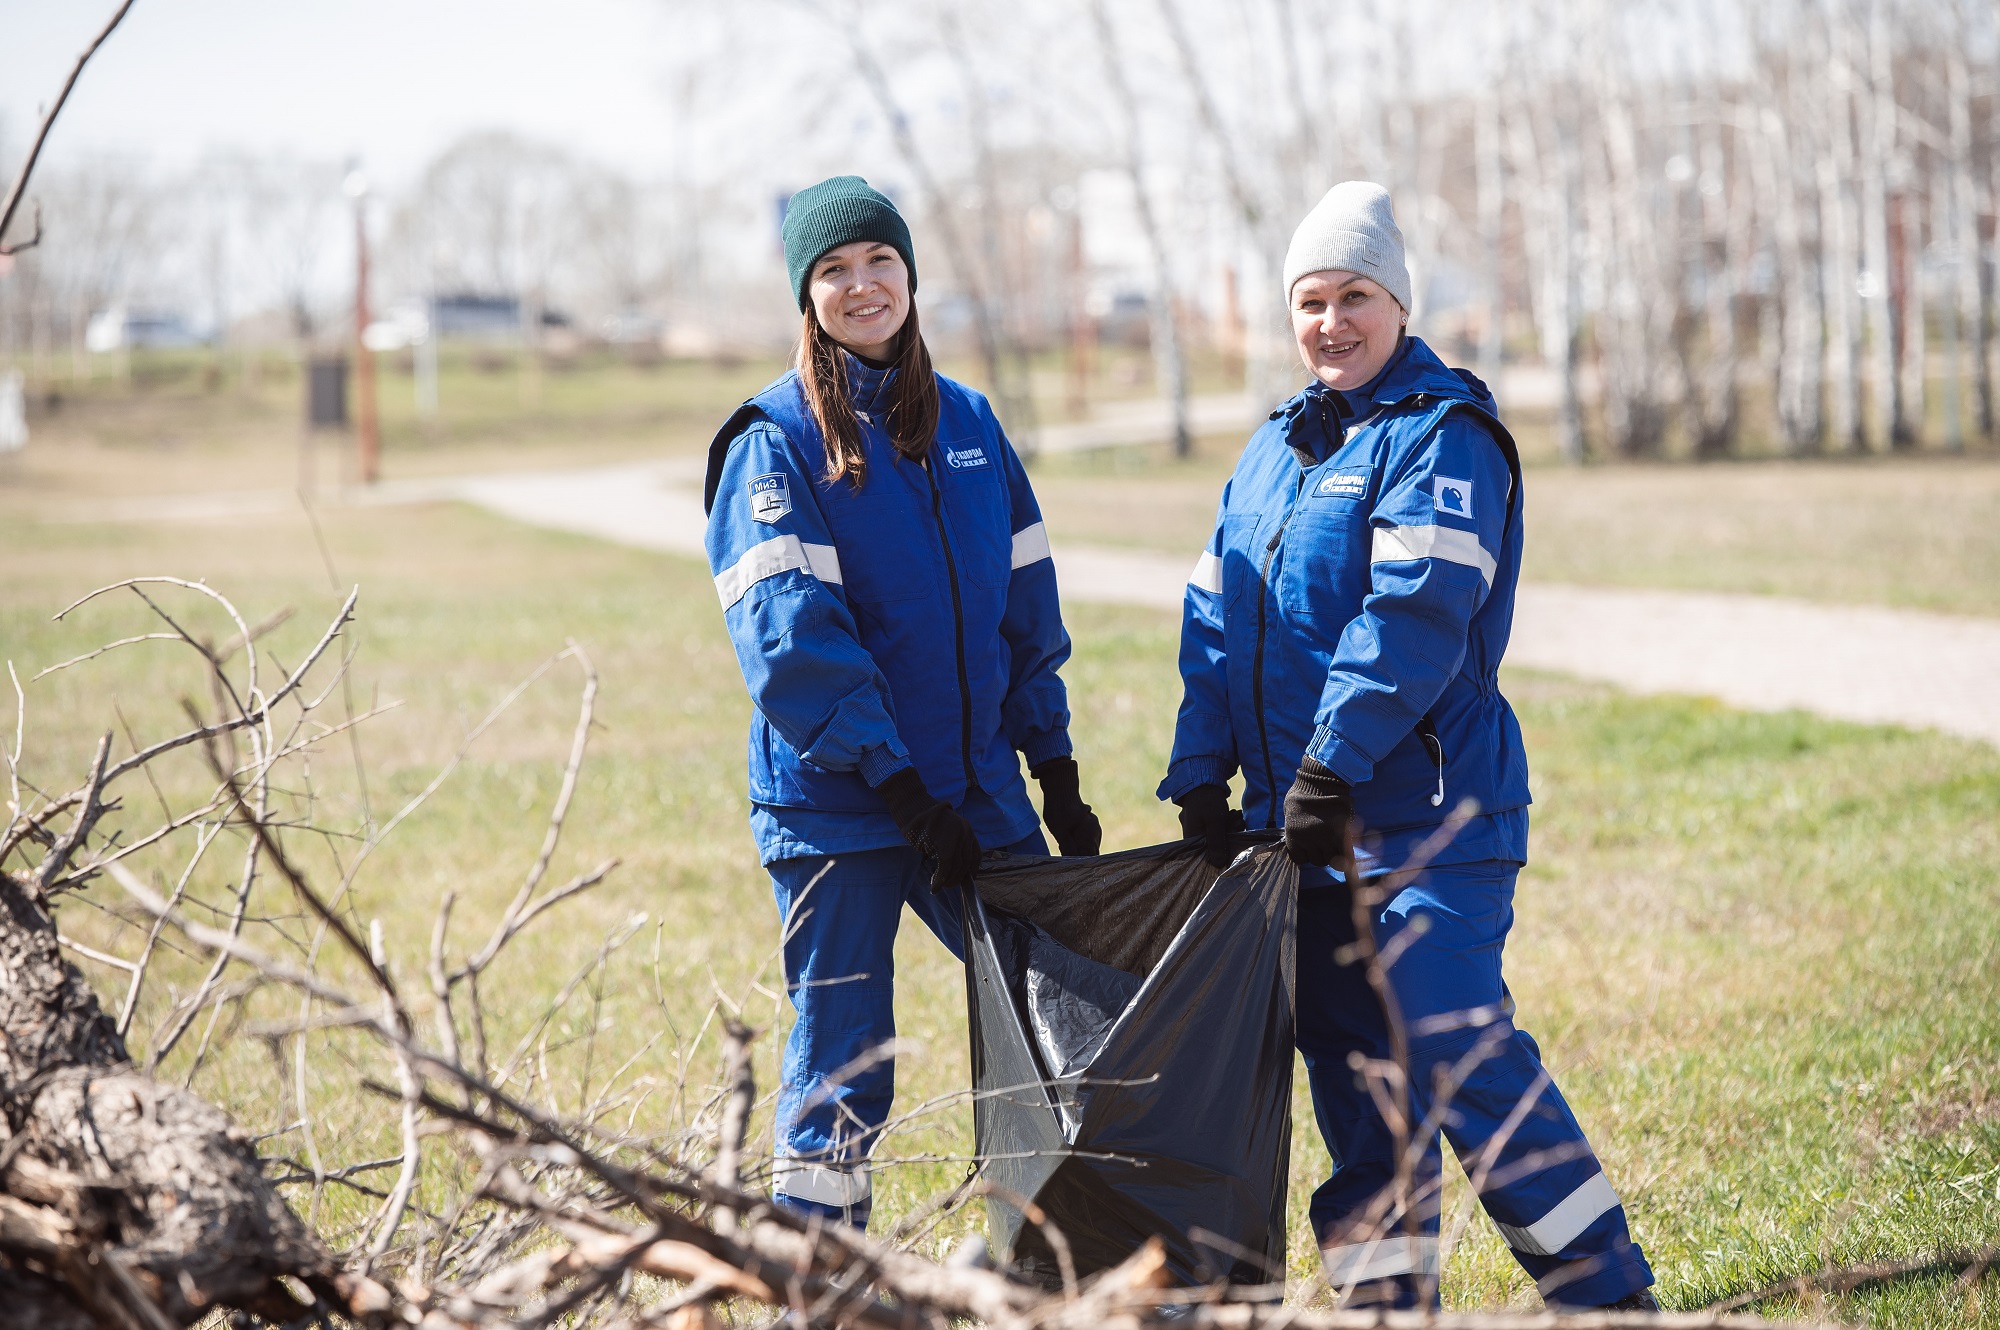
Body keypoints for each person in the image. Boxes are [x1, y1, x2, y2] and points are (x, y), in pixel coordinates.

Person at [1157, 182, 1658, 1310]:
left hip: (1427, 819)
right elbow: (1212, 616)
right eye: (1308, 301)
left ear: (1398, 302)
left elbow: (1414, 613)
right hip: (1300, 842)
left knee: (1454, 1050)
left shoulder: (1446, 435)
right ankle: (1389, 1307)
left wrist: (1328, 762)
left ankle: (1608, 1295)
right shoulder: (1270, 453)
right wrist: (1199, 770)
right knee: (1359, 1087)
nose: (1329, 323)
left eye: (1354, 297)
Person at [703, 175, 1101, 1229]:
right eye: (832, 270)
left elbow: (1024, 608)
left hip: (973, 791)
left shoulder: (969, 424)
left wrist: (1050, 766)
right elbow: (790, 641)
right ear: (807, 297)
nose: (860, 284)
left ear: (910, 276)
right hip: (839, 805)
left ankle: (1041, 1264)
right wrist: (897, 785)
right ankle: (820, 1280)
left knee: (1064, 1018)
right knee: (845, 1056)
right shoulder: (771, 440)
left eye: (877, 261)